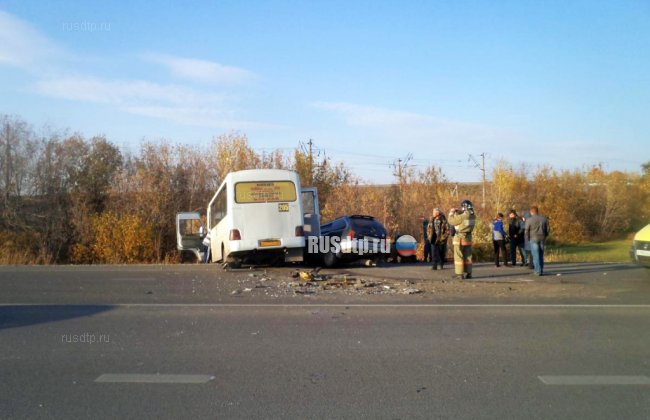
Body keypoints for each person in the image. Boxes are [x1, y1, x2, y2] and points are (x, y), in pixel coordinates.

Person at [448, 200, 476, 279]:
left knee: (458, 256)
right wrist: (459, 211)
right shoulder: (472, 215)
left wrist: (451, 213)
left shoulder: (464, 215)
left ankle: (459, 274)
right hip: (468, 238)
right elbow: (464, 219)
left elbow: (452, 221)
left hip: (460, 237)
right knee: (468, 256)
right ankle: (469, 273)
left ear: (464, 207)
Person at [525, 206, 549, 276]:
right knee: (541, 255)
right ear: (537, 211)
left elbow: (526, 230)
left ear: (531, 212)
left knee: (536, 255)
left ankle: (537, 271)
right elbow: (548, 229)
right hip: (542, 238)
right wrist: (545, 236)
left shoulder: (529, 220)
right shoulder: (544, 219)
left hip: (533, 238)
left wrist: (528, 238)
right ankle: (541, 270)